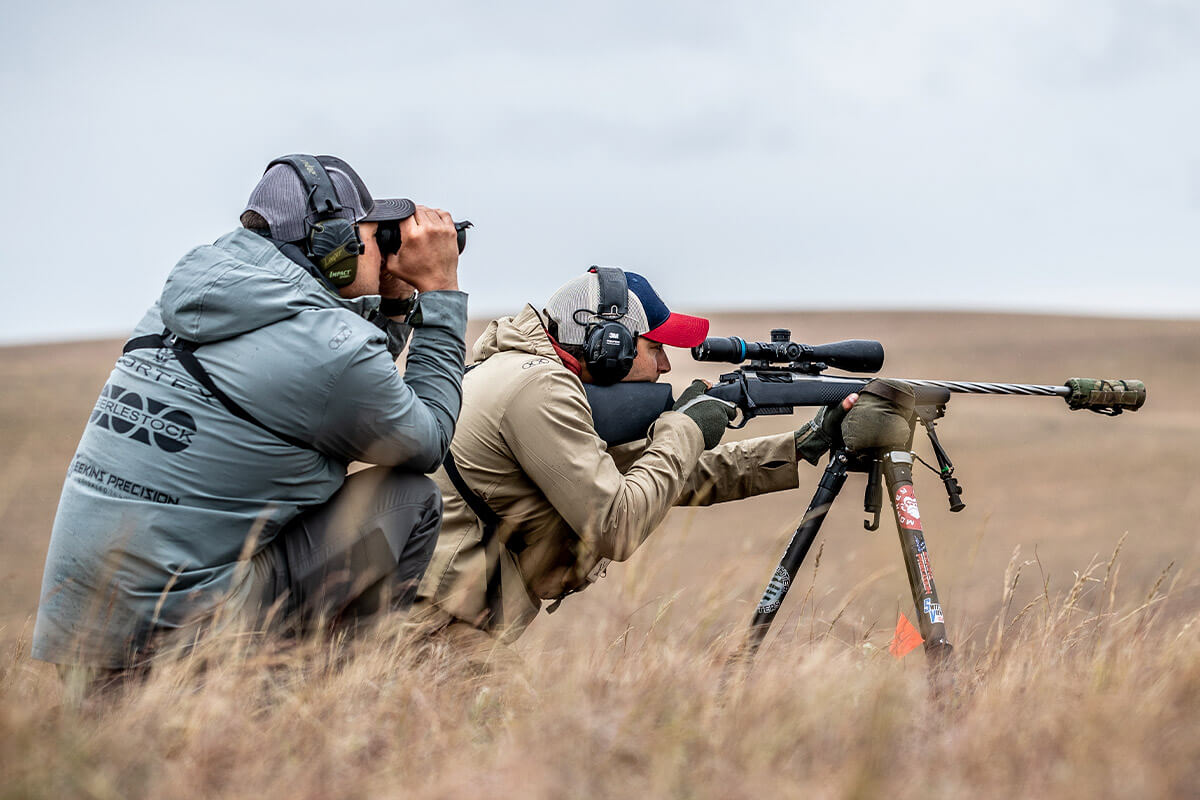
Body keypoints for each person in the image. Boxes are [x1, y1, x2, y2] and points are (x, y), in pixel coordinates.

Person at [33, 154, 468, 682]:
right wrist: (440, 293)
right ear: (334, 247)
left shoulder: (193, 302)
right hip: (174, 660)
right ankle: (339, 698)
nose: (381, 247)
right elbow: (426, 438)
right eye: (374, 234)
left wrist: (394, 300)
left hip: (83, 648)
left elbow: (344, 378)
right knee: (411, 498)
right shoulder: (331, 353)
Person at [411, 266, 881, 661]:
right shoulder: (541, 391)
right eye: (655, 348)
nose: (666, 366)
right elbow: (618, 523)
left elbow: (665, 475)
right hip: (429, 625)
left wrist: (800, 445)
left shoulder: (530, 376)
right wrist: (686, 428)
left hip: (439, 613)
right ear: (607, 346)